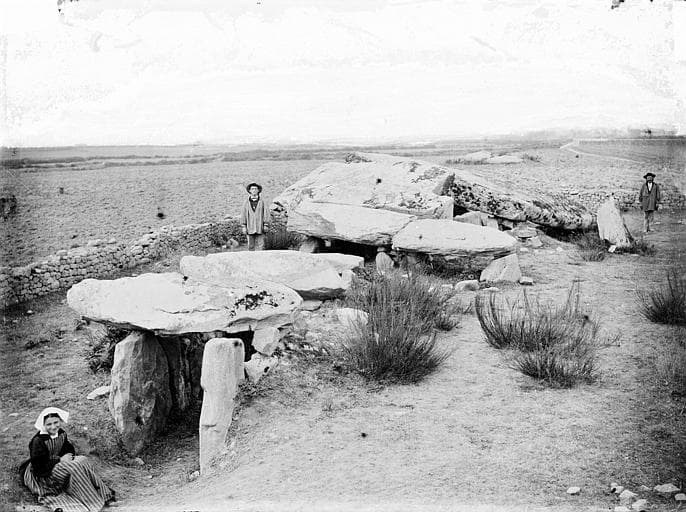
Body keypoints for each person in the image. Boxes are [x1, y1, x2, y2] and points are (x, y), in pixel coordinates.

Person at [21, 407, 115, 512]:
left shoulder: (61, 433)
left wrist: (68, 454)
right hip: (44, 474)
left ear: (60, 421)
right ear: (43, 425)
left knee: (83, 460)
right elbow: (39, 467)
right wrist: (60, 460)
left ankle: (104, 495)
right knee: (74, 467)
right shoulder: (38, 441)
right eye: (49, 424)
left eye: (56, 422)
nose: (53, 427)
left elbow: (68, 448)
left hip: (57, 463)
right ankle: (93, 504)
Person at [239, 182, 269, 251]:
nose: (254, 190)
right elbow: (243, 214)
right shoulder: (246, 202)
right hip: (250, 227)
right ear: (249, 191)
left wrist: (266, 224)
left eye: (255, 189)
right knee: (250, 246)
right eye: (252, 189)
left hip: (260, 227)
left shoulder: (263, 202)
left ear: (258, 190)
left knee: (262, 246)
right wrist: (244, 226)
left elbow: (266, 213)